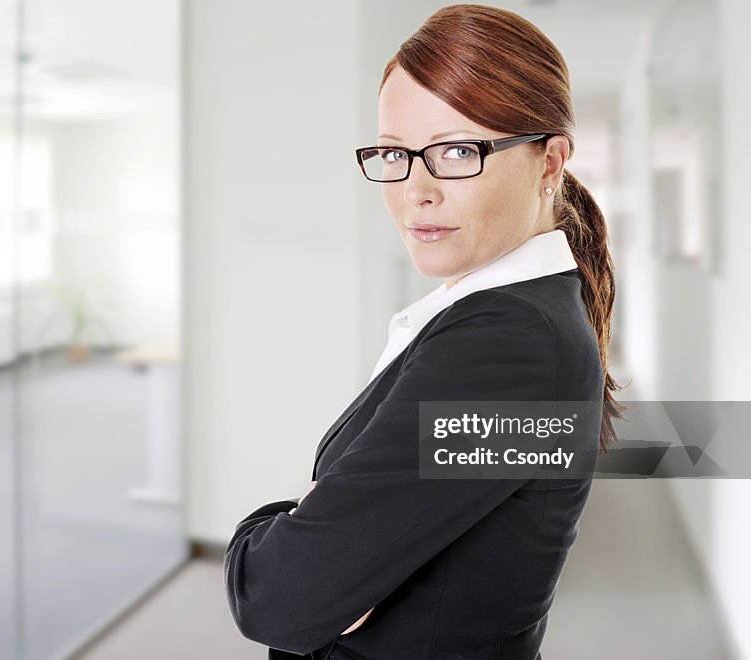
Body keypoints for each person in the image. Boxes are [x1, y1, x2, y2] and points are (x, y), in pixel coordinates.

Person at [224, 4, 627, 659]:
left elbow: (277, 596)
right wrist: (313, 526)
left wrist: (277, 526)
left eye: (457, 151)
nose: (415, 190)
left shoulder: (507, 345)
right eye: (394, 153)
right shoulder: (516, 318)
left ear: (549, 161)